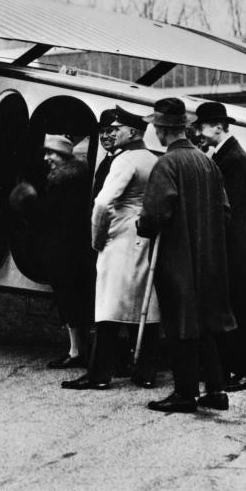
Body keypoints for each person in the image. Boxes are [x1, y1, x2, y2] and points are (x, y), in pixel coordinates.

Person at [136, 98, 235, 413]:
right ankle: (216, 389)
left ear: (161, 130)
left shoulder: (167, 163)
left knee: (179, 322)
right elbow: (226, 212)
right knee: (205, 323)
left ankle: (185, 392)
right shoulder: (208, 162)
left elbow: (155, 214)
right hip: (209, 256)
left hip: (178, 255)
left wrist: (143, 227)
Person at [62, 107, 161, 390]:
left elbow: (103, 204)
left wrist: (96, 240)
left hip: (118, 238)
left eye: (114, 129)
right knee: (143, 306)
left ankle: (99, 374)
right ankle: (145, 371)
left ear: (132, 132)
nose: (108, 134)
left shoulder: (125, 160)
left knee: (108, 308)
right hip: (144, 238)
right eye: (106, 130)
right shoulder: (151, 159)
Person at [194, 102, 246, 391]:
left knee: (236, 311)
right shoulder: (228, 154)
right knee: (231, 308)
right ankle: (233, 368)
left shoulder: (232, 159)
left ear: (218, 126)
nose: (198, 133)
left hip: (233, 245)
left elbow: (227, 208)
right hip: (237, 242)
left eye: (201, 127)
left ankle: (243, 372)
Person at [37, 134, 96, 370]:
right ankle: (80, 350)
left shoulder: (65, 181)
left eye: (51, 153)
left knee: (68, 299)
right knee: (73, 299)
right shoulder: (74, 178)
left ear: (63, 156)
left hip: (66, 249)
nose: (46, 158)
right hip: (72, 247)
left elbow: (50, 214)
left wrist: (30, 203)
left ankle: (76, 352)